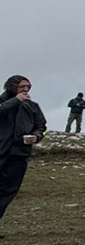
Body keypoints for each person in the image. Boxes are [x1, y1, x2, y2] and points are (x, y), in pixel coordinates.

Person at [0, 75, 46, 235]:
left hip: (19, 153)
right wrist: (15, 101)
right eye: (22, 87)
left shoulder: (32, 106)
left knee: (8, 190)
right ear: (11, 87)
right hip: (1, 151)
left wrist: (37, 136)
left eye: (28, 87)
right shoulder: (4, 102)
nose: (26, 90)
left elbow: (41, 125)